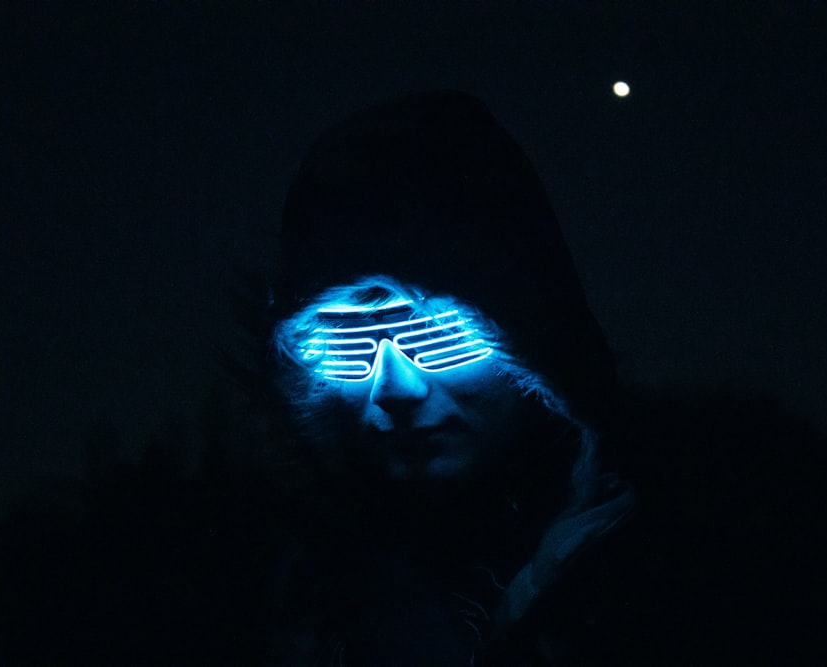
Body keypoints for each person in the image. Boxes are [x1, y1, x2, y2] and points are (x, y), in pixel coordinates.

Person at [261, 90, 635, 665]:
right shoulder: (282, 602)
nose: (391, 389)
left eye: (437, 336)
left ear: (531, 341)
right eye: (346, 345)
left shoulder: (688, 559)